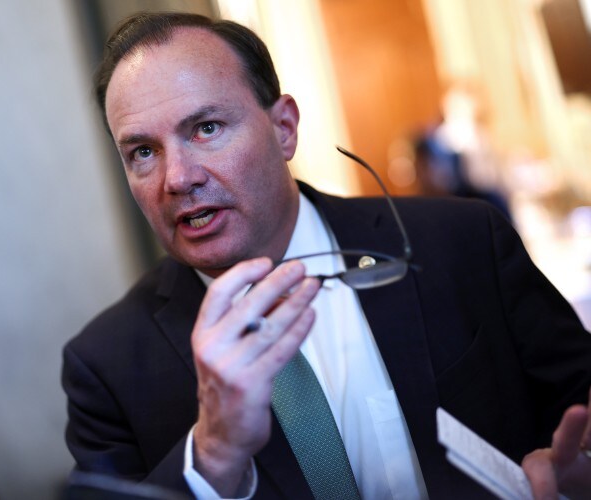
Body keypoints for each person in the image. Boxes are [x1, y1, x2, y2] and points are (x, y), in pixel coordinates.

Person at [62, 11, 591, 499]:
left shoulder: (462, 242)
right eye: (143, 152)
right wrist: (213, 456)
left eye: (207, 128)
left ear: (284, 128)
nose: (178, 178)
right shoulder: (106, 367)